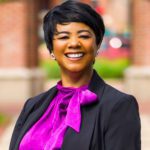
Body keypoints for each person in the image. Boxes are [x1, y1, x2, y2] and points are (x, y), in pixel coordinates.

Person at [9, 1, 141, 150]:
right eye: (64, 37)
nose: (74, 43)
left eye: (84, 36)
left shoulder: (119, 106)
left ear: (97, 45)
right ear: (51, 48)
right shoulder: (33, 106)